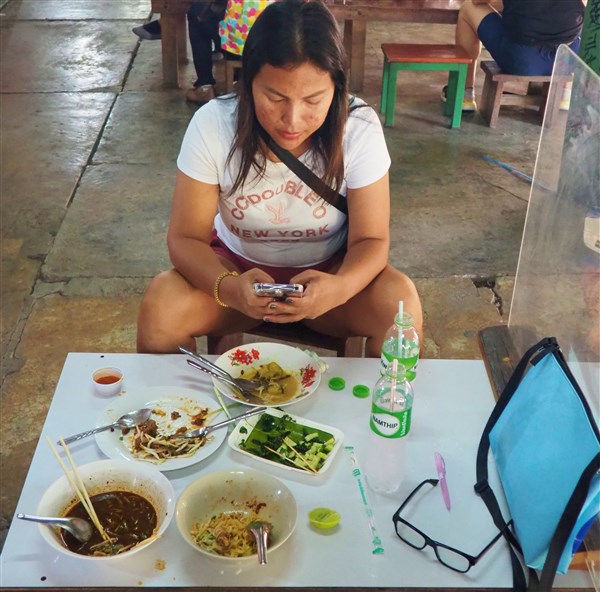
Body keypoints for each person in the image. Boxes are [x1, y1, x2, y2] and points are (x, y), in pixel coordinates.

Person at [136, 0, 422, 358]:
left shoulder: (358, 127)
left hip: (329, 276)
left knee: (401, 307)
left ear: (337, 88)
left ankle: (383, 400)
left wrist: (340, 288)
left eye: (313, 100)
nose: (292, 119)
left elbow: (372, 239)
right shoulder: (214, 124)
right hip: (235, 272)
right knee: (162, 309)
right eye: (274, 97)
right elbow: (185, 238)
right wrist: (231, 288)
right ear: (248, 83)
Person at [446, 0, 585, 111]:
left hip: (522, 59)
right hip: (567, 60)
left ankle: (464, 94)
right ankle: (565, 93)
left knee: (468, 7)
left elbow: (478, 1)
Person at [186, 0, 276, 105]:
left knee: (197, 12)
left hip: (239, 48)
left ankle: (205, 87)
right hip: (278, 45)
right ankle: (239, 74)